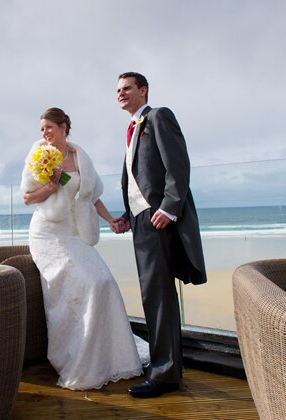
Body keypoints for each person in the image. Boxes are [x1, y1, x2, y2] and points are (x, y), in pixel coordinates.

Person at [20, 107, 143, 390]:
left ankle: (111, 359)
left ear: (64, 127)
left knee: (104, 282)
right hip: (47, 234)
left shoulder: (80, 157)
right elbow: (27, 197)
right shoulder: (38, 153)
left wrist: (111, 220)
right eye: (42, 129)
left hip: (74, 234)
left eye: (49, 127)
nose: (44, 134)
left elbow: (91, 197)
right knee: (88, 285)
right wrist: (51, 185)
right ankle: (77, 360)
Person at [112, 72, 207, 398]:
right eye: (118, 90)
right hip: (142, 222)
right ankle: (163, 367)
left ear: (143, 90)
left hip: (160, 220)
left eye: (127, 88)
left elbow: (177, 165)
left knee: (160, 298)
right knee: (153, 296)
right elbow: (141, 181)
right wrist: (129, 215)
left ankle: (164, 375)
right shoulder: (131, 130)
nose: (121, 94)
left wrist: (169, 207)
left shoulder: (158, 117)